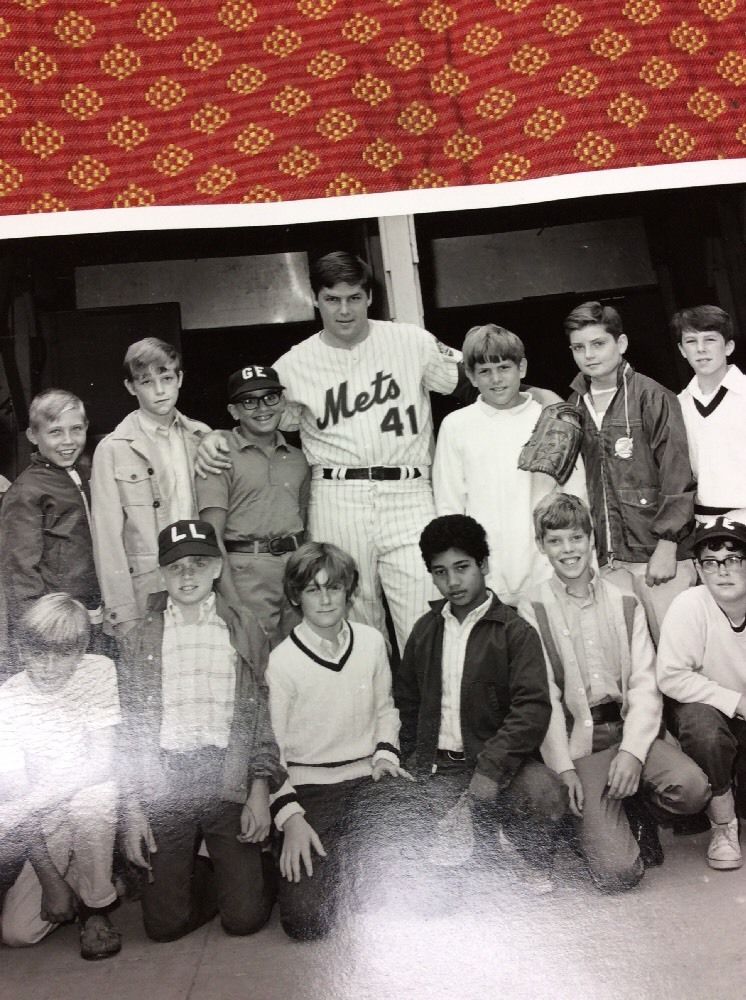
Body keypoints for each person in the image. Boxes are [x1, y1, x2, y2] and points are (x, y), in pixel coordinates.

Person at [197, 251, 462, 654]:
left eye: (354, 297)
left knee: (426, 614)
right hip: (338, 495)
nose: (344, 309)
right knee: (350, 621)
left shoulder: (413, 341)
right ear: (315, 300)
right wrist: (211, 436)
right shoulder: (293, 365)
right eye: (332, 299)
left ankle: (430, 715)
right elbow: (258, 416)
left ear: (369, 298)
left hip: (409, 491)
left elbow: (470, 378)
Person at [518, 493, 710, 891]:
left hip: (625, 731)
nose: (568, 550)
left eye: (575, 538)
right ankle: (594, 821)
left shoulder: (625, 598)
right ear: (541, 547)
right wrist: (564, 768)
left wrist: (634, 753)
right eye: (555, 541)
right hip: (580, 744)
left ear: (592, 540)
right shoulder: (532, 607)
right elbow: (544, 700)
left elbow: (644, 683)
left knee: (692, 790)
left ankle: (630, 807)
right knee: (617, 875)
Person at [118, 519, 285, 942]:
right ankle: (205, 871)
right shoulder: (140, 636)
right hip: (168, 784)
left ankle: (249, 870)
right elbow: (132, 729)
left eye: (198, 563)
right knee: (163, 926)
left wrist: (259, 791)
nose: (187, 575)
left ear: (216, 568)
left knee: (244, 919)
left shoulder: (243, 627)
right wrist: (134, 808)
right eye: (176, 567)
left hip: (226, 778)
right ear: (161, 574)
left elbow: (263, 715)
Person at [394, 514, 568, 890]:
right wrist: (414, 759)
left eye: (462, 568)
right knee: (421, 878)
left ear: (484, 565)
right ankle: (479, 842)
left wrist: (490, 771)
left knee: (544, 792)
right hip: (441, 767)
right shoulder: (425, 631)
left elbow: (532, 710)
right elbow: (407, 703)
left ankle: (527, 853)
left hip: (500, 767)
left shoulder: (514, 631)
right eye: (440, 572)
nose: (452, 582)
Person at [266, 541, 406, 940]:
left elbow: (385, 711)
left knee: (417, 898)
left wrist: (384, 755)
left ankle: (354, 862)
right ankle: (327, 860)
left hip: (369, 780)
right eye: (313, 589)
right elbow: (272, 751)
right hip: (312, 792)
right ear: (297, 596)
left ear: (349, 590)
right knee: (305, 922)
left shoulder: (372, 641)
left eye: (334, 588)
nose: (326, 599)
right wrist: (291, 819)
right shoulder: (283, 661)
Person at [565, 301, 696, 644]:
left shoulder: (652, 396)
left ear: (620, 344)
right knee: (634, 658)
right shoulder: (574, 406)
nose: (588, 355)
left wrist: (667, 545)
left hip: (658, 556)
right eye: (579, 347)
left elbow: (677, 474)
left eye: (598, 344)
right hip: (609, 560)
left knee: (679, 653)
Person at [0, 594, 122, 959]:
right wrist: (51, 881)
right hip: (44, 820)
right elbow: (17, 797)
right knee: (17, 933)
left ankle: (96, 908)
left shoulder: (98, 670)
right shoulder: (8, 699)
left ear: (82, 649)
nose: (50, 667)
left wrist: (32, 800)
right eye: (39, 654)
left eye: (64, 654)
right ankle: (87, 879)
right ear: (21, 650)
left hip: (82, 804)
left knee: (93, 798)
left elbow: (102, 764)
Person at [433, 323, 586, 607]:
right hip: (489, 577)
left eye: (504, 367)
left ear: (522, 368)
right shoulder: (456, 425)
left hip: (547, 569)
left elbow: (576, 498)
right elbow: (449, 506)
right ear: (470, 375)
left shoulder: (551, 419)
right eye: (484, 371)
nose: (496, 379)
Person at [90, 338, 210, 639]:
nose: (160, 390)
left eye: (167, 378)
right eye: (147, 381)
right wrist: (122, 611)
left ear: (180, 378)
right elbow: (107, 540)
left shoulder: (202, 436)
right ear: (131, 387)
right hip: (147, 590)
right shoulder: (113, 449)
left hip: (199, 581)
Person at [197, 365, 309, 647]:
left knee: (299, 657)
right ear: (234, 411)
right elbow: (211, 538)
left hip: (294, 572)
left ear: (283, 402)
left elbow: (304, 523)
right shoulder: (219, 456)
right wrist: (235, 604)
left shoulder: (298, 458)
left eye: (270, 397)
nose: (262, 408)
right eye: (249, 401)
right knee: (257, 660)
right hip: (247, 575)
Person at [657, 516, 746, 871]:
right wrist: (736, 701)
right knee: (700, 723)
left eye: (734, 559)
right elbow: (671, 676)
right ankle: (723, 825)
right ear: (698, 567)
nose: (722, 571)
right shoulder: (689, 605)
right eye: (711, 562)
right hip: (714, 718)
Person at [0, 390, 103, 662]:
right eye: (55, 432)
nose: (68, 441)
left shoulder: (84, 473)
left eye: (76, 429)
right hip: (54, 622)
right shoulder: (26, 491)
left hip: (90, 610)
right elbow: (20, 570)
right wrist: (37, 631)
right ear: (33, 436)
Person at [673, 305, 746, 526]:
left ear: (729, 346)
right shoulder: (677, 404)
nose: (701, 349)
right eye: (691, 341)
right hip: (704, 523)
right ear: (682, 350)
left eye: (710, 340)